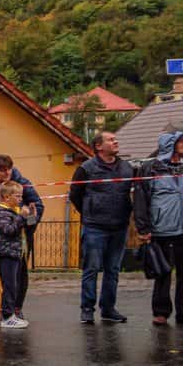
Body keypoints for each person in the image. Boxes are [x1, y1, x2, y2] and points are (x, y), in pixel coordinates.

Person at [69, 130, 134, 324]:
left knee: (113, 270)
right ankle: (87, 309)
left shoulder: (126, 168)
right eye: (111, 140)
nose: (116, 142)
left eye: (115, 139)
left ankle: (108, 308)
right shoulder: (86, 168)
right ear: (98, 146)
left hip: (119, 226)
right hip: (95, 227)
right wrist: (89, 213)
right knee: (91, 268)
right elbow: (75, 194)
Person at [0, 154, 44, 321]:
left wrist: (29, 222)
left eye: (9, 169)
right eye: (2, 171)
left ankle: (15, 308)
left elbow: (36, 206)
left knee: (19, 272)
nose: (7, 173)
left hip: (20, 235)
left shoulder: (22, 183)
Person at [133, 131, 183, 325]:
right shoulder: (151, 168)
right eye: (180, 141)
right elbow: (140, 199)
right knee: (162, 272)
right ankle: (161, 311)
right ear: (171, 144)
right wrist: (143, 227)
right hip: (162, 228)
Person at [0, 180, 40, 329]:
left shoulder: (14, 211)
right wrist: (21, 216)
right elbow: (9, 230)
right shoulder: (1, 213)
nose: (21, 199)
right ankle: (7, 317)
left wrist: (32, 216)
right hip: (7, 254)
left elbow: (27, 226)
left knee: (14, 285)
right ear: (6, 197)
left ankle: (11, 315)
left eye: (21, 196)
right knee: (9, 286)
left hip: (17, 253)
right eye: (17, 196)